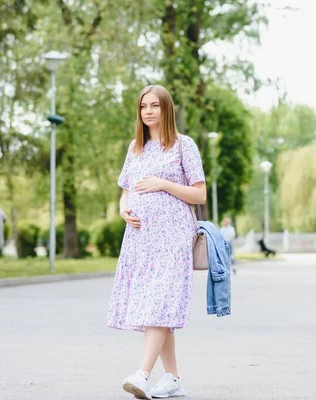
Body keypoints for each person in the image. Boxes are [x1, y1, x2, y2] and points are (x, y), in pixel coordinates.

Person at [107, 85, 206, 400]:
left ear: (166, 109)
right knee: (157, 306)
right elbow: (126, 188)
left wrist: (164, 184)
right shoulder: (135, 148)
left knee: (159, 302)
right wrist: (124, 208)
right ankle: (173, 378)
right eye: (143, 106)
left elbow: (199, 193)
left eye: (155, 106)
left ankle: (143, 374)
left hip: (173, 236)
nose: (148, 111)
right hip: (141, 239)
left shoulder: (182, 146)